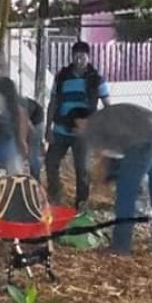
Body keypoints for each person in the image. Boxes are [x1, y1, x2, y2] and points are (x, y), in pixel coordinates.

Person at [75, 104, 152, 256]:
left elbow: (104, 159)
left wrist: (100, 182)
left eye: (76, 128)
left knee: (126, 195)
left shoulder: (93, 127)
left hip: (144, 141)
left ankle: (121, 246)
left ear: (80, 122)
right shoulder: (108, 114)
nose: (79, 132)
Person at [45, 41, 110, 210]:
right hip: (60, 128)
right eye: (76, 55)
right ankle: (55, 195)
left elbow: (107, 106)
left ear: (88, 57)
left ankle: (81, 204)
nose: (79, 59)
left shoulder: (97, 79)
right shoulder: (61, 77)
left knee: (83, 170)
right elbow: (53, 102)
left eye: (83, 56)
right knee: (50, 162)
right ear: (72, 56)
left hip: (84, 132)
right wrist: (48, 128)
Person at [22, 96, 44, 180]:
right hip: (27, 122)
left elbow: (27, 124)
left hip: (36, 122)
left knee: (32, 152)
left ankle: (35, 179)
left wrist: (23, 141)